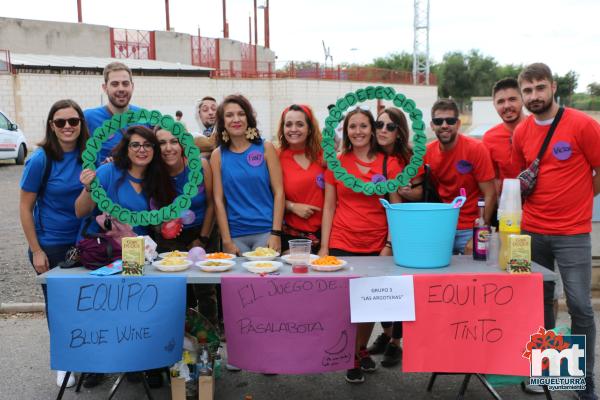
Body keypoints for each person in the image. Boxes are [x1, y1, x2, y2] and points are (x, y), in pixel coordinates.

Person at [512, 63, 600, 400]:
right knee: (538, 306)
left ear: (553, 87)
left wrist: (580, 198)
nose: (534, 96)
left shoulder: (582, 125)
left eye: (540, 88)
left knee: (580, 306)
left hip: (573, 233)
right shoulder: (521, 132)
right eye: (528, 91)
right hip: (531, 231)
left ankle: (583, 380)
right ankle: (546, 371)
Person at [318, 106, 401, 384]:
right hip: (343, 240)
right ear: (346, 130)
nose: (358, 132)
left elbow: (395, 209)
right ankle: (352, 354)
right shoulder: (336, 162)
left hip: (377, 243)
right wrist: (325, 247)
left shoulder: (389, 163)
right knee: (347, 307)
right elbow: (329, 206)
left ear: (372, 129)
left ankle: (357, 350)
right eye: (352, 126)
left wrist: (389, 243)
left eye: (363, 126)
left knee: (369, 306)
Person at [19, 99, 89, 389]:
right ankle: (63, 363)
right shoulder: (41, 159)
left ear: (81, 124)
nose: (68, 127)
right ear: (52, 126)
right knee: (59, 308)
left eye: (73, 121)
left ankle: (88, 359)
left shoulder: (89, 155)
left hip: (85, 243)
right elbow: (25, 208)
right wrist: (37, 250)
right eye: (61, 122)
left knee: (85, 305)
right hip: (52, 245)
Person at [366, 107, 423, 368]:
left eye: (390, 126)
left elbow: (417, 196)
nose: (383, 131)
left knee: (399, 290)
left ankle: (396, 343)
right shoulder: (372, 156)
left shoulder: (409, 158)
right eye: (379, 125)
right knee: (378, 290)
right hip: (377, 228)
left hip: (406, 231)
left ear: (400, 131)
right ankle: (387, 333)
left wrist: (391, 243)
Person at [154, 126, 218, 325]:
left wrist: (203, 239)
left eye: (173, 142)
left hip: (203, 231)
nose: (168, 148)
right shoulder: (153, 173)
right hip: (169, 238)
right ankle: (178, 343)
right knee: (175, 289)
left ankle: (210, 343)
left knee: (206, 289)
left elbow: (212, 203)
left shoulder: (200, 165)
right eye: (162, 143)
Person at [210, 94, 284, 255]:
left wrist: (276, 233)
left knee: (266, 280)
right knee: (235, 281)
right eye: (229, 115)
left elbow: (279, 192)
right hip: (234, 236)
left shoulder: (266, 148)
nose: (236, 119)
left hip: (266, 232)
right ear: (223, 122)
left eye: (241, 114)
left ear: (248, 118)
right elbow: (218, 200)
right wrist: (226, 240)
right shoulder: (217, 155)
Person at [424, 99, 496, 254]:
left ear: (458, 124)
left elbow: (490, 194)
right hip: (440, 227)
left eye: (450, 121)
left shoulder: (476, 149)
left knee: (476, 275)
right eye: (438, 121)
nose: (444, 125)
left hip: (471, 227)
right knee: (437, 276)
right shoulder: (426, 152)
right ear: (432, 125)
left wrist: (479, 234)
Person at [277, 104, 325, 254]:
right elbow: (265, 196)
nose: (293, 129)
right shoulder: (276, 157)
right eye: (288, 124)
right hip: (293, 236)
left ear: (309, 129)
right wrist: (291, 206)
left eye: (300, 124)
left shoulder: (324, 156)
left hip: (327, 235)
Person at [84, 62, 140, 165]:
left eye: (125, 83)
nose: (121, 89)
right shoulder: (89, 118)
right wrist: (101, 168)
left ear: (132, 86)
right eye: (115, 84)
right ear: (105, 88)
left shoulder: (144, 118)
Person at [483, 78, 526, 194]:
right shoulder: (489, 138)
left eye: (512, 99)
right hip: (509, 206)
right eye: (501, 101)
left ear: (522, 99)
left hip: (542, 204)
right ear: (494, 105)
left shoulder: (539, 128)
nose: (506, 106)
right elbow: (495, 180)